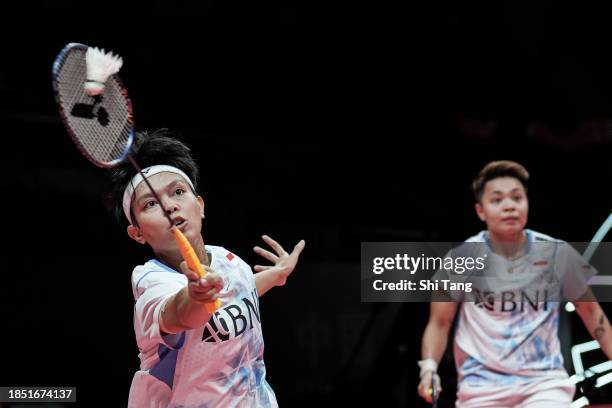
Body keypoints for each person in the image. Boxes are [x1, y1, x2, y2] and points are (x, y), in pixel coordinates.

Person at [107, 129, 305, 408]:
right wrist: (196, 296)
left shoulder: (225, 259)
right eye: (151, 204)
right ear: (137, 233)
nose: (169, 206)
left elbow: (238, 293)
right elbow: (179, 314)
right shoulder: (152, 283)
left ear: (199, 206)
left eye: (177, 192)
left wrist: (276, 274)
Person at [417, 160, 612, 407]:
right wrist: (428, 368)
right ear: (481, 211)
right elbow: (439, 322)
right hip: (480, 387)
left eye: (517, 198)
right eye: (497, 200)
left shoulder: (557, 254)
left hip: (543, 385)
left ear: (527, 204)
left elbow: (593, 314)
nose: (509, 206)